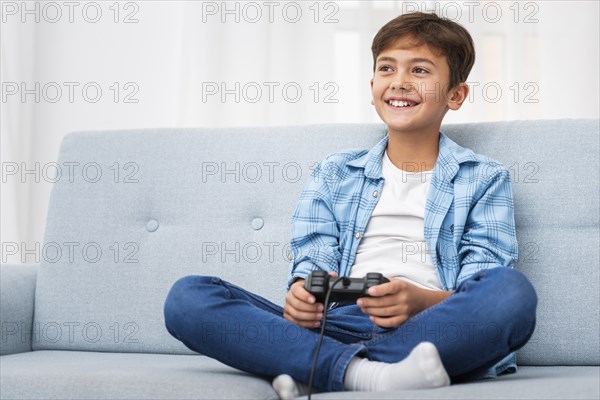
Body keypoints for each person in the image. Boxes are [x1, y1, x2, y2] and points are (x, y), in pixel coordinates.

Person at [163, 11, 538, 398]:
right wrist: (302, 295)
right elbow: (313, 260)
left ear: (455, 94)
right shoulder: (334, 172)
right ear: (372, 84)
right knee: (188, 297)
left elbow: (483, 276)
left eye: (421, 71)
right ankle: (370, 374)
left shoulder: (484, 177)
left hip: (430, 329)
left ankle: (318, 367)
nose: (400, 82)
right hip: (334, 325)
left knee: (511, 292)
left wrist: (419, 301)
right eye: (387, 68)